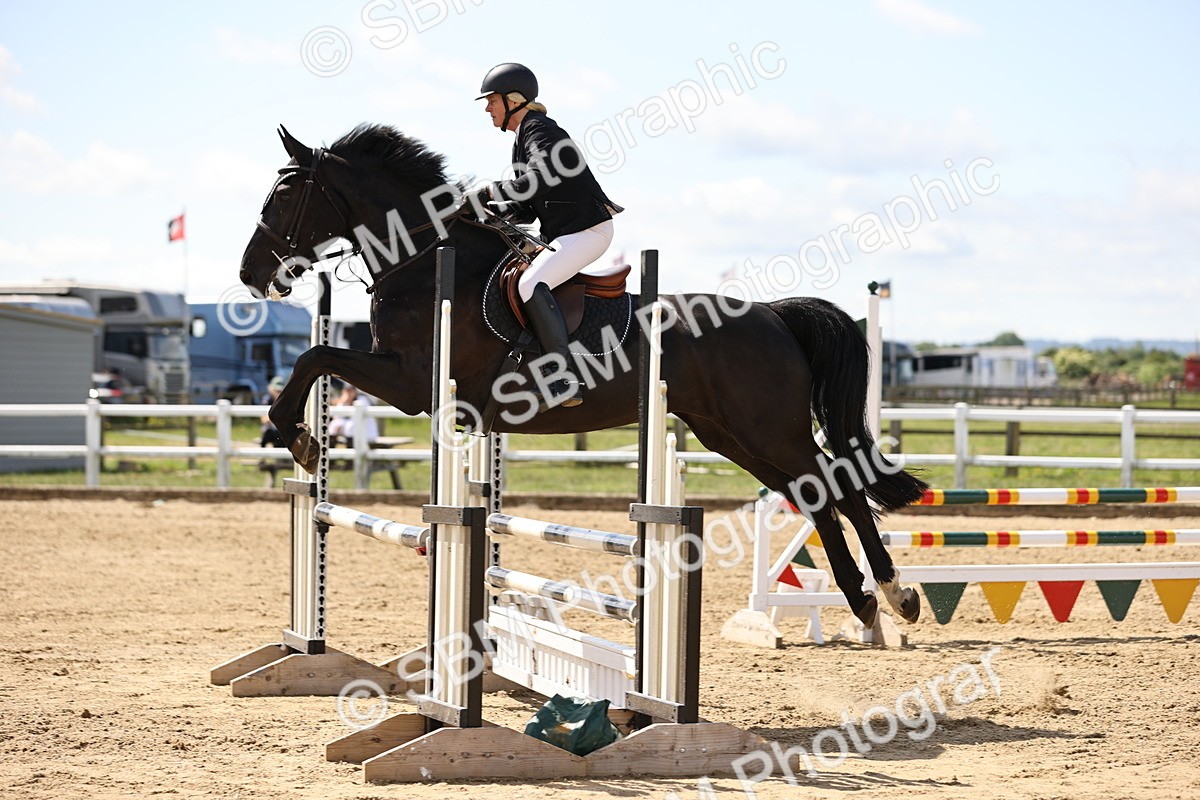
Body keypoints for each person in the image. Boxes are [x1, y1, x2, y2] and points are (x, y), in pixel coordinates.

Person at [472, 62, 623, 411]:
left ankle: (563, 379)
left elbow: (537, 179)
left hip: (587, 230)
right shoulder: (524, 138)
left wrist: (491, 191)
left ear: (513, 100)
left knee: (530, 284)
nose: (487, 108)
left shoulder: (539, 129)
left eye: (491, 100)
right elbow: (529, 206)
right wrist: (489, 212)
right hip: (569, 232)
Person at [327, 383, 379, 447]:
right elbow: (338, 416)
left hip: (366, 432)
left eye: (351, 391)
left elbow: (356, 420)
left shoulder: (362, 399)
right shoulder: (345, 401)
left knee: (350, 426)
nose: (349, 393)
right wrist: (344, 401)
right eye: (347, 391)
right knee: (334, 425)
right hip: (353, 432)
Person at [260, 375, 286, 448]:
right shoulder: (267, 400)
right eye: (277, 391)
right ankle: (262, 456)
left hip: (280, 430)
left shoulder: (286, 401)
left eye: (280, 391)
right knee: (267, 431)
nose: (278, 393)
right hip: (270, 429)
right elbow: (264, 419)